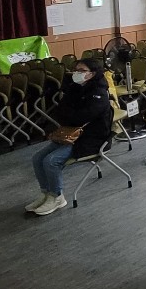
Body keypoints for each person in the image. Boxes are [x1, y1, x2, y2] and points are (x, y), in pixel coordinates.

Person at [26, 58, 112, 216]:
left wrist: (69, 116)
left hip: (91, 139)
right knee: (37, 158)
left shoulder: (99, 93)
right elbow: (60, 111)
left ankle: (57, 197)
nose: (77, 73)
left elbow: (83, 117)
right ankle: (46, 193)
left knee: (51, 161)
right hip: (69, 134)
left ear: (92, 74)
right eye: (76, 70)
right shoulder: (74, 88)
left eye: (82, 71)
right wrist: (70, 117)